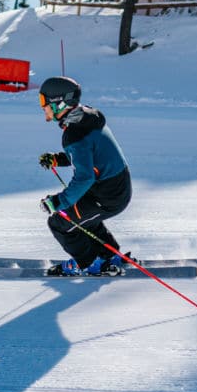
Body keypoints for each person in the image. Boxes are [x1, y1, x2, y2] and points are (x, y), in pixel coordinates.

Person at [37, 76, 132, 276]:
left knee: (59, 223)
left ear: (58, 103)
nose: (42, 107)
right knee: (85, 218)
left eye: (44, 101)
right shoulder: (86, 117)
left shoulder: (74, 133)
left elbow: (84, 177)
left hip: (107, 196)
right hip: (113, 188)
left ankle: (88, 264)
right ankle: (109, 256)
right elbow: (87, 155)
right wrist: (57, 159)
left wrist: (58, 202)